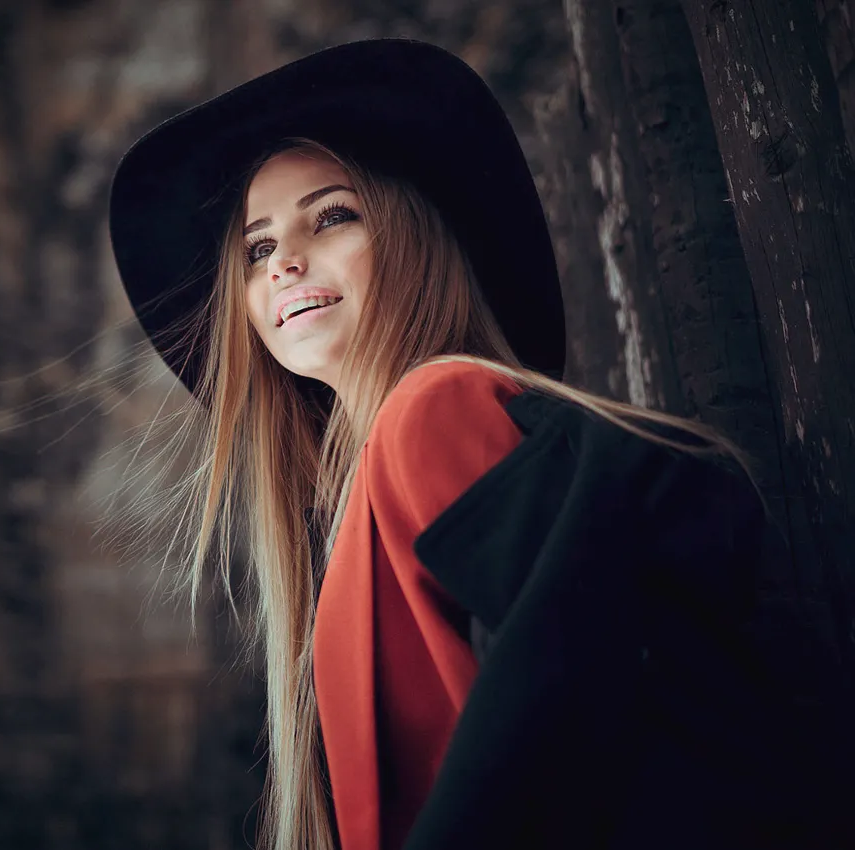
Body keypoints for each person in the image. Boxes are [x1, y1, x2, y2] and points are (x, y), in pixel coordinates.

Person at [106, 39, 852, 850]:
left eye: (332, 215)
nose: (285, 260)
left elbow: (570, 695)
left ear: (415, 239)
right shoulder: (347, 512)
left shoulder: (437, 407)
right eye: (256, 249)